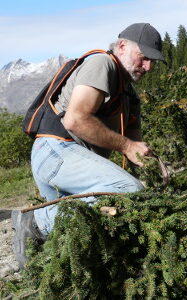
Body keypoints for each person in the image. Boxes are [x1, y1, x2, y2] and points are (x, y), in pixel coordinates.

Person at [11, 23, 166, 269]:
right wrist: (126, 147)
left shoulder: (129, 95)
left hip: (68, 163)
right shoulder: (102, 64)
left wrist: (149, 174)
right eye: (144, 57)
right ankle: (36, 220)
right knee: (128, 190)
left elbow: (134, 147)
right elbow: (76, 119)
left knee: (87, 229)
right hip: (56, 151)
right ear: (123, 46)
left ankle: (42, 257)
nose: (148, 67)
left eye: (153, 62)